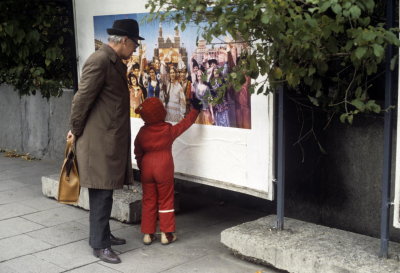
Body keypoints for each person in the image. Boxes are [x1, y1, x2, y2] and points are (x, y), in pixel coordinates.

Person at [67, 19, 144, 264]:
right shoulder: (100, 60)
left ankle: (103, 235)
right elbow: (81, 99)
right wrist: (74, 130)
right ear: (124, 41)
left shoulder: (113, 61)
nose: (136, 49)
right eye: (135, 44)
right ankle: (100, 245)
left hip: (107, 138)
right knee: (101, 192)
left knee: (105, 191)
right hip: (98, 141)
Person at [134, 97, 201, 245]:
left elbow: (137, 152)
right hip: (163, 167)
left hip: (147, 168)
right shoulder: (167, 130)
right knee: (165, 200)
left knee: (149, 201)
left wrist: (142, 166)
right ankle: (166, 234)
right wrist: (195, 110)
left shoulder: (142, 132)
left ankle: (148, 234)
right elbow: (185, 124)